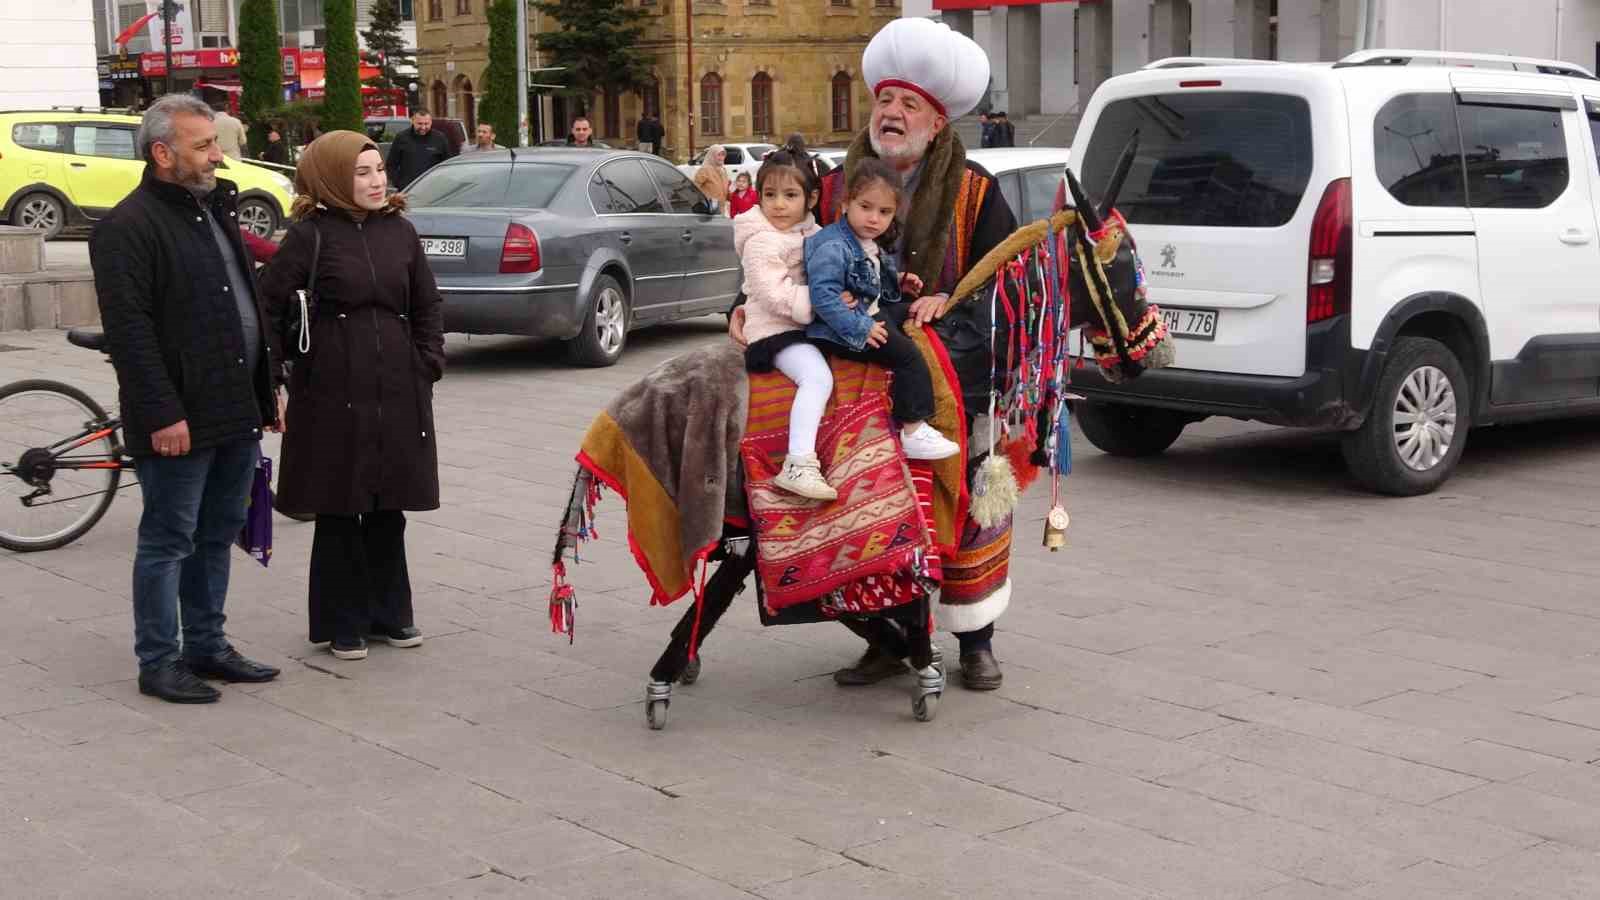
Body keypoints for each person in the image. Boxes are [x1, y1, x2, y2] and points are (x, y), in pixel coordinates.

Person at [733, 18, 1016, 690]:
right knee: (868, 510)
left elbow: (1004, 283)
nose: (891, 113)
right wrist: (742, 309)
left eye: (909, 105)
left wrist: (950, 304)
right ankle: (888, 637)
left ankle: (976, 638)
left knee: (965, 503)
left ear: (938, 125)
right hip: (851, 379)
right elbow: (776, 253)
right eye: (885, 100)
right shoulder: (831, 187)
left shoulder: (976, 190)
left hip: (955, 379)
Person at [89, 94, 283, 703]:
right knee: (168, 538)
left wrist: (269, 386)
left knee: (218, 530)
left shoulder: (215, 210)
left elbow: (244, 303)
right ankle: (159, 660)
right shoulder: (127, 227)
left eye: (214, 143)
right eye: (203, 145)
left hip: (234, 406)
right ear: (162, 153)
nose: (216, 155)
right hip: (177, 414)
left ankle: (207, 645)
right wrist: (162, 412)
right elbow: (131, 333)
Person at [259, 132, 445, 662]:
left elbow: (428, 302)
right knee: (341, 508)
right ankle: (343, 622)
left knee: (389, 505)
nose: (376, 180)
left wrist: (427, 361)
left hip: (398, 391)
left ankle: (391, 614)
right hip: (331, 395)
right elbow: (268, 310)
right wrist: (273, 381)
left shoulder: (401, 233)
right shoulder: (310, 237)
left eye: (379, 169)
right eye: (361, 173)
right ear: (333, 178)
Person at [804, 159, 959, 463]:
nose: (874, 218)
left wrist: (900, 283)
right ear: (846, 203)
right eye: (866, 207)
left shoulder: (866, 241)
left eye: (884, 212)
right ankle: (913, 427)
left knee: (914, 313)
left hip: (867, 310)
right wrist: (860, 328)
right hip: (841, 330)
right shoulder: (833, 246)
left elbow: (868, 281)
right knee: (907, 356)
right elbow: (823, 296)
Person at [735, 138, 833, 500]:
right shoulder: (761, 241)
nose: (778, 204)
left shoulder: (815, 234)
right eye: (770, 194)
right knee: (817, 377)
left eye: (789, 195)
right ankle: (799, 462)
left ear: (810, 199)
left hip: (809, 326)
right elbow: (776, 295)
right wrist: (827, 300)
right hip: (776, 331)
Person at [386, 108, 455, 191]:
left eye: (426, 124)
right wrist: (399, 183)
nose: (423, 127)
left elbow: (447, 164)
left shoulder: (440, 138)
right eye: (420, 124)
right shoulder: (401, 138)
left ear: (431, 122)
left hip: (433, 188)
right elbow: (391, 164)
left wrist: (441, 183)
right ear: (412, 121)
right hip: (408, 188)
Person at [693, 145, 730, 213]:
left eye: (723, 155)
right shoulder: (704, 170)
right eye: (718, 155)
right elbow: (694, 188)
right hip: (708, 209)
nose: (721, 158)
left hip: (721, 208)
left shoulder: (723, 170)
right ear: (712, 156)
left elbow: (725, 189)